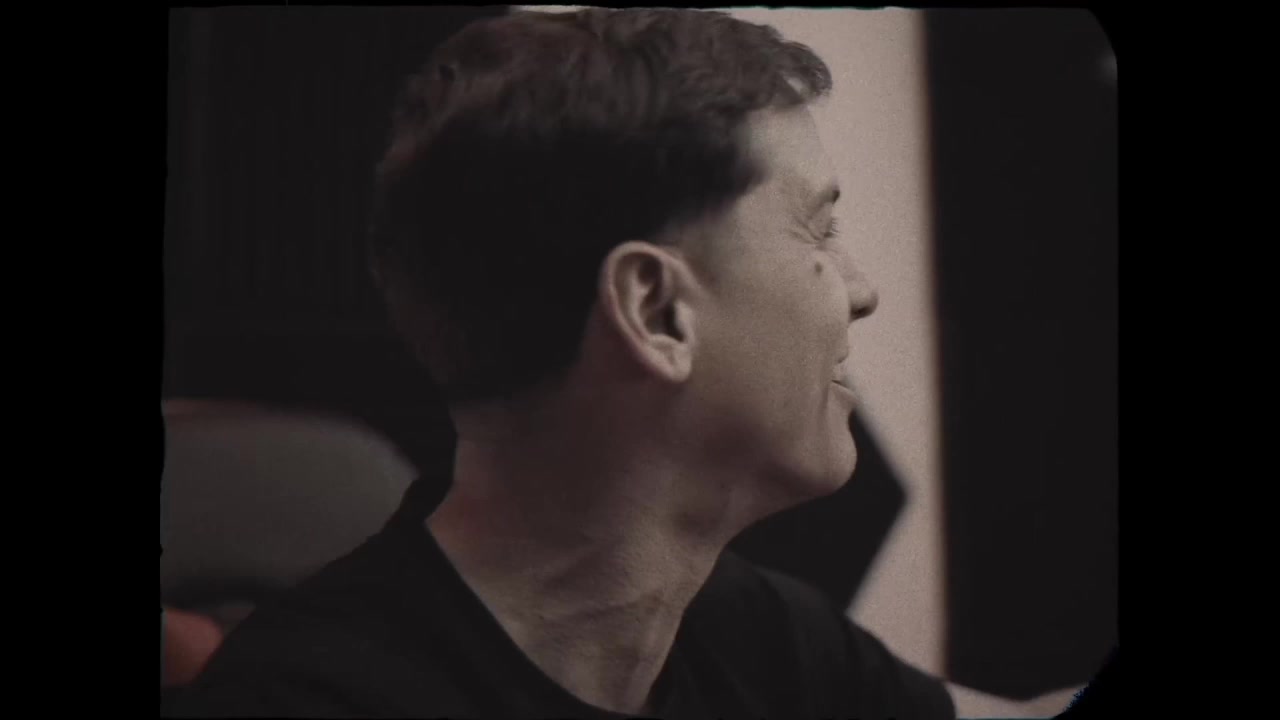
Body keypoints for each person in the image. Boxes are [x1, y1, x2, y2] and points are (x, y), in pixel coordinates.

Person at [163, 8, 958, 719]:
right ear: (657, 311)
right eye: (819, 228)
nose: (862, 291)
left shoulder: (758, 636)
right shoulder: (304, 699)